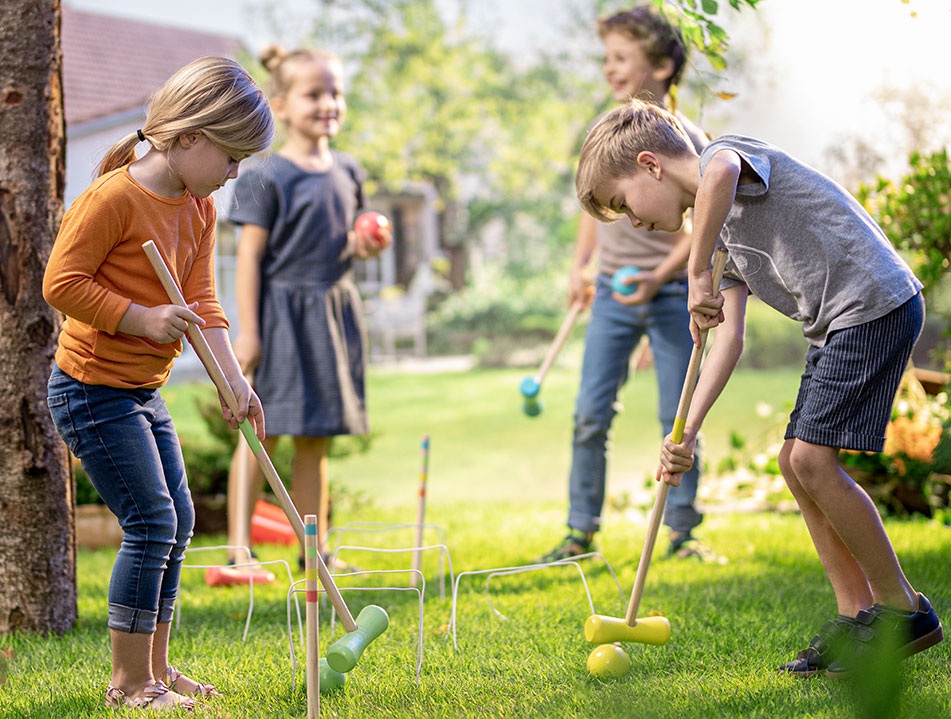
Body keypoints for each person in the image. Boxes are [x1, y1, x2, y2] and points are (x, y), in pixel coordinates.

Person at [575, 98, 943, 676]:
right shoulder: (718, 239)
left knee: (815, 462)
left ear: (649, 164)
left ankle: (905, 609)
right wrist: (687, 432)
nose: (634, 222)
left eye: (624, 204)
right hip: (837, 325)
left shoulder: (727, 156)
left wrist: (695, 271)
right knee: (794, 463)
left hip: (874, 305)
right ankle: (856, 618)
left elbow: (718, 174)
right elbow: (729, 340)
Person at [43, 57, 274, 709]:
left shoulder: (197, 209)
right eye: (232, 158)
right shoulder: (112, 198)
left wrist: (235, 380)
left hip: (141, 389)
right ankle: (128, 682)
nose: (235, 174)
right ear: (188, 137)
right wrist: (141, 317)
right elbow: (60, 284)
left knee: (177, 520)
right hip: (91, 390)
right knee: (151, 520)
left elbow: (201, 296)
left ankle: (159, 670)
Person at [539, 5, 715, 564]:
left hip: (669, 295)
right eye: (607, 58)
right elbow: (591, 207)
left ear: (661, 64)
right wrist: (581, 267)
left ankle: (683, 530)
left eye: (622, 57)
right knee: (591, 410)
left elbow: (706, 226)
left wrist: (662, 276)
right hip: (613, 291)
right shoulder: (608, 132)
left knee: (678, 414)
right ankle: (579, 531)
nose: (611, 69)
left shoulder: (686, 140)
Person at [224, 46, 389, 567]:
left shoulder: (349, 170)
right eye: (313, 94)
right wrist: (247, 332)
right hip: (280, 317)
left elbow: (349, 239)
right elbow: (249, 258)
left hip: (331, 315)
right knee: (261, 434)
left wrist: (364, 245)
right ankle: (238, 551)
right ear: (282, 105)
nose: (328, 103)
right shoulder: (265, 173)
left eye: (335, 92)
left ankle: (312, 554)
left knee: (315, 439)